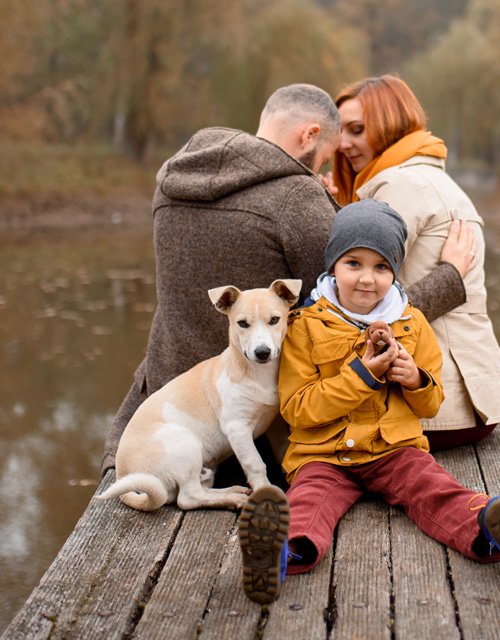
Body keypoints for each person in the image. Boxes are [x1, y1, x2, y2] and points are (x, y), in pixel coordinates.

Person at [101, 83, 475, 484]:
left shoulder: (175, 180)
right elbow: (354, 309)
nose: (321, 171)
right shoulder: (297, 198)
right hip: (254, 428)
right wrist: (450, 278)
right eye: (325, 157)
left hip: (160, 414)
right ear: (309, 135)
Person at [238, 200, 500, 605]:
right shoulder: (304, 325)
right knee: (307, 502)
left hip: (395, 450)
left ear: (395, 272)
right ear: (333, 265)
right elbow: (298, 409)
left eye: (382, 267)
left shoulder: (412, 324)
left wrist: (415, 379)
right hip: (323, 454)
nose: (367, 278)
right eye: (353, 263)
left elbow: (431, 404)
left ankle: (492, 530)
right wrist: (362, 376)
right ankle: (277, 553)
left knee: (435, 489)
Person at [330, 74, 500, 451]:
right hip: (472, 404)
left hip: (433, 409)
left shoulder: (398, 186)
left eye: (357, 130)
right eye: (340, 132)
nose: (342, 144)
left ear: (390, 124)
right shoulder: (430, 178)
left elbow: (358, 304)